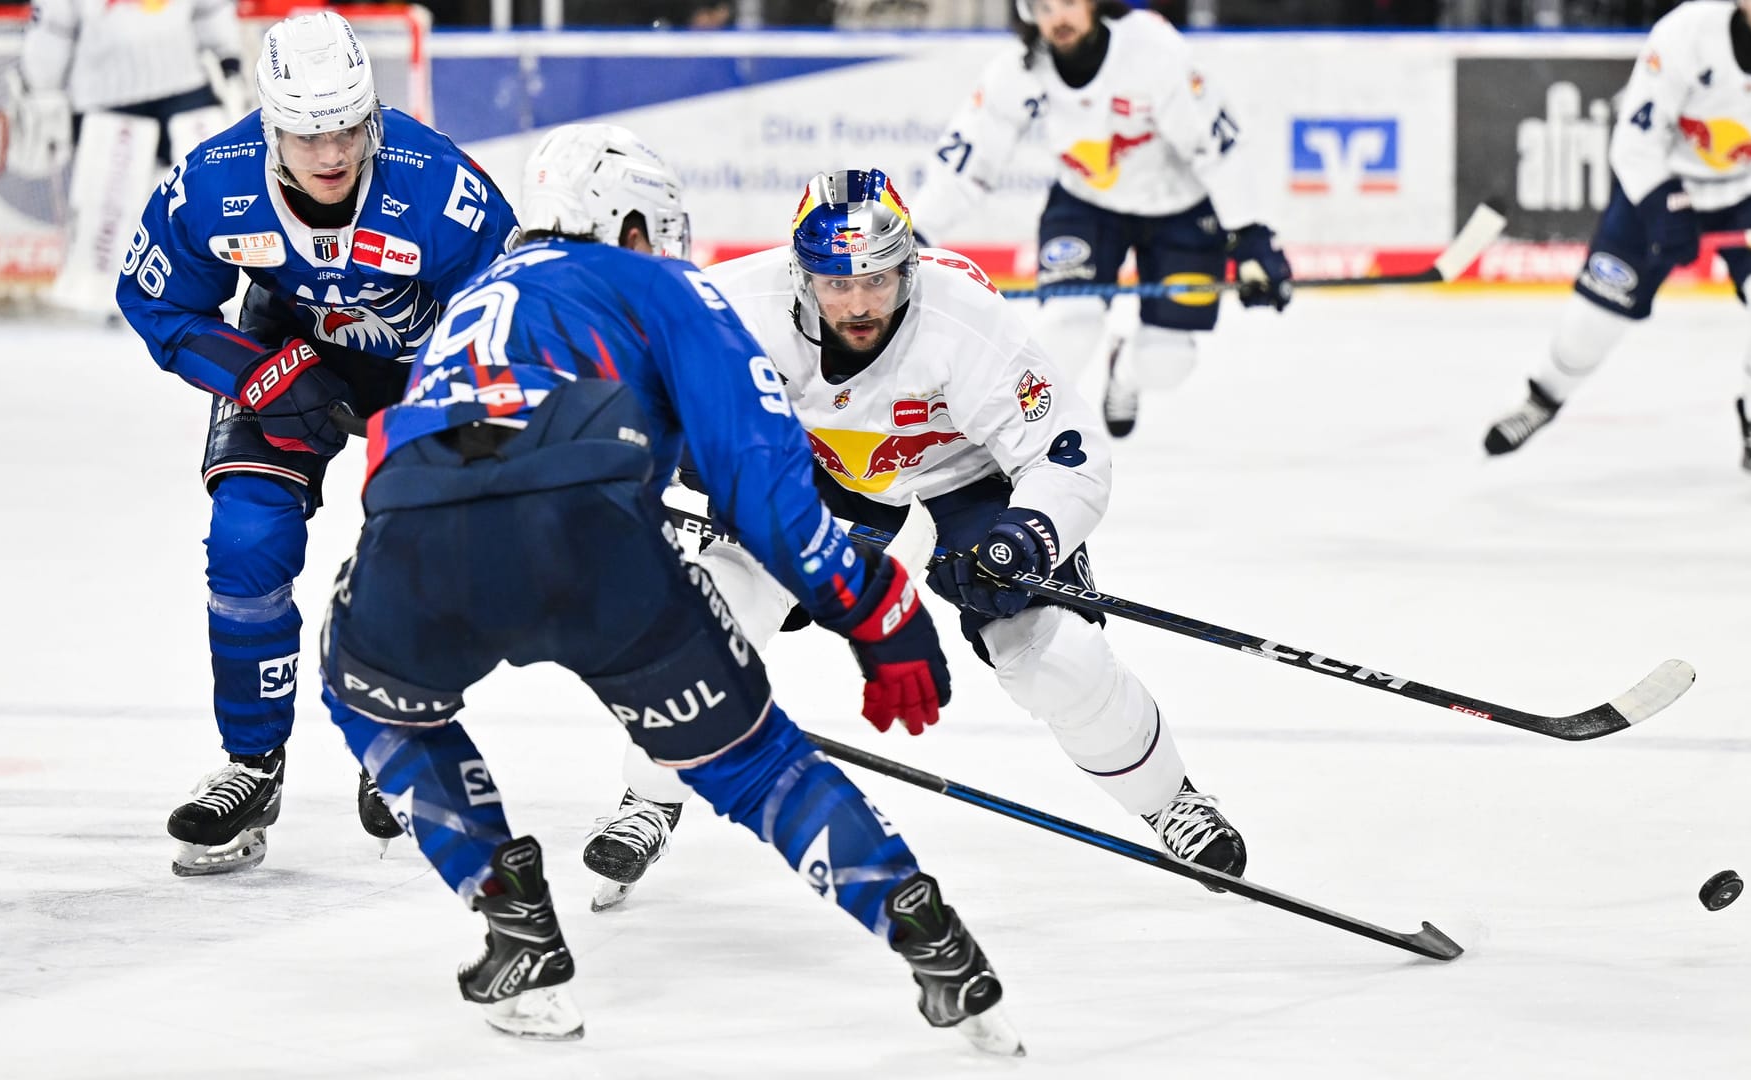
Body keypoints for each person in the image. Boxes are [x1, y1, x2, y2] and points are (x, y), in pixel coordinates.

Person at [316, 123, 1021, 1053]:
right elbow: (766, 492)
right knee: (755, 764)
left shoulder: (467, 302)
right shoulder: (665, 288)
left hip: (417, 533)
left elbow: (408, 447)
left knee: (377, 703)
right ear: (632, 222)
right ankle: (934, 944)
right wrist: (878, 612)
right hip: (595, 546)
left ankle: (512, 921)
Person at [580, 168, 1249, 915]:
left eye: (879, 279)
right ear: (800, 276)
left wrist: (1028, 535)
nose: (860, 303)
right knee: (713, 612)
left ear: (910, 267)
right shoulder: (730, 307)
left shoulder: (963, 315)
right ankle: (648, 800)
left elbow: (1068, 450)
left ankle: (1172, 803)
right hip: (817, 474)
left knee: (1049, 654)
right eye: (836, 283)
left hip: (968, 475)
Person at [116, 10, 519, 876]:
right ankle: (252, 766)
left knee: (411, 547)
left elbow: (511, 313)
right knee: (246, 539)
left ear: (371, 112)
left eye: (345, 126)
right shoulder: (214, 180)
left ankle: (401, 727)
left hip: (427, 369)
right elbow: (156, 301)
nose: (330, 153)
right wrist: (262, 374)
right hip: (285, 358)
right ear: (270, 124)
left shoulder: (440, 187)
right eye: (305, 133)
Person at [1483, 0, 1751, 491]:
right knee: (1593, 321)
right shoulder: (1687, 33)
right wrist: (1667, 207)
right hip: (1659, 188)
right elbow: (1633, 142)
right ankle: (1542, 399)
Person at [909, 0, 1293, 438]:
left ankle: (1124, 372)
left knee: (1168, 361)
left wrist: (1249, 235)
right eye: (1042, 7)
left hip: (1181, 210)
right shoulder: (1018, 71)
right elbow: (969, 161)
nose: (1058, 18)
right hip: (1085, 203)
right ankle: (1016, 444)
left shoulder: (1152, 49)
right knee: (1068, 326)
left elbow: (1216, 144)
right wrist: (918, 232)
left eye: (1069, 3)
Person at [12, 0, 251, 316]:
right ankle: (100, 292)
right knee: (109, 203)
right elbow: (53, 26)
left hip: (185, 85)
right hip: (105, 97)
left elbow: (211, 8)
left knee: (210, 193)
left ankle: (224, 287)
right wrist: (43, 87)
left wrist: (228, 58)